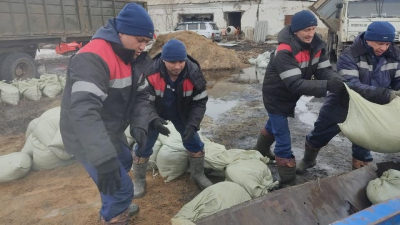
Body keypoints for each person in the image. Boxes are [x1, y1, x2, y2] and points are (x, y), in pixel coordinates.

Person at [60, 3, 154, 224]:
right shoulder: (93, 57)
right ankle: (114, 212)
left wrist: (140, 124)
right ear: (121, 31)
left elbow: (141, 96)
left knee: (122, 160)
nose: (142, 46)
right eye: (139, 40)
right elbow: (84, 113)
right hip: (85, 135)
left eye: (146, 42)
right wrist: (102, 159)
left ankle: (113, 202)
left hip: (110, 129)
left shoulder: (132, 57)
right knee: (121, 189)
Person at [253, 10, 345, 186]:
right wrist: (326, 87)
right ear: (296, 30)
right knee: (283, 138)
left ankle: (260, 149)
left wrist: (337, 81)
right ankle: (288, 179)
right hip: (276, 97)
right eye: (306, 30)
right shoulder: (284, 50)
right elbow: (295, 83)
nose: (311, 33)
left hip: (291, 96)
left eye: (313, 28)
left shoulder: (317, 45)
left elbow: (324, 70)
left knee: (273, 124)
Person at [297, 21, 400, 173]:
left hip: (370, 108)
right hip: (342, 103)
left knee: (363, 144)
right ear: (368, 39)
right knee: (319, 134)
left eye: (387, 44)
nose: (383, 48)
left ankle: (359, 175)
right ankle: (308, 160)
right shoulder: (350, 55)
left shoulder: (394, 56)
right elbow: (352, 85)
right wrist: (387, 94)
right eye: (379, 44)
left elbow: (398, 81)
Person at [131, 39, 212, 198]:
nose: (177, 66)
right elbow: (143, 101)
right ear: (163, 60)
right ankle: (139, 181)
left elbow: (200, 101)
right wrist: (153, 120)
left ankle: (197, 174)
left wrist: (193, 124)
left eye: (181, 61)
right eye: (172, 62)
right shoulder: (150, 72)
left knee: (194, 142)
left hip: (182, 112)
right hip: (155, 111)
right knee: (143, 145)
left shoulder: (193, 72)